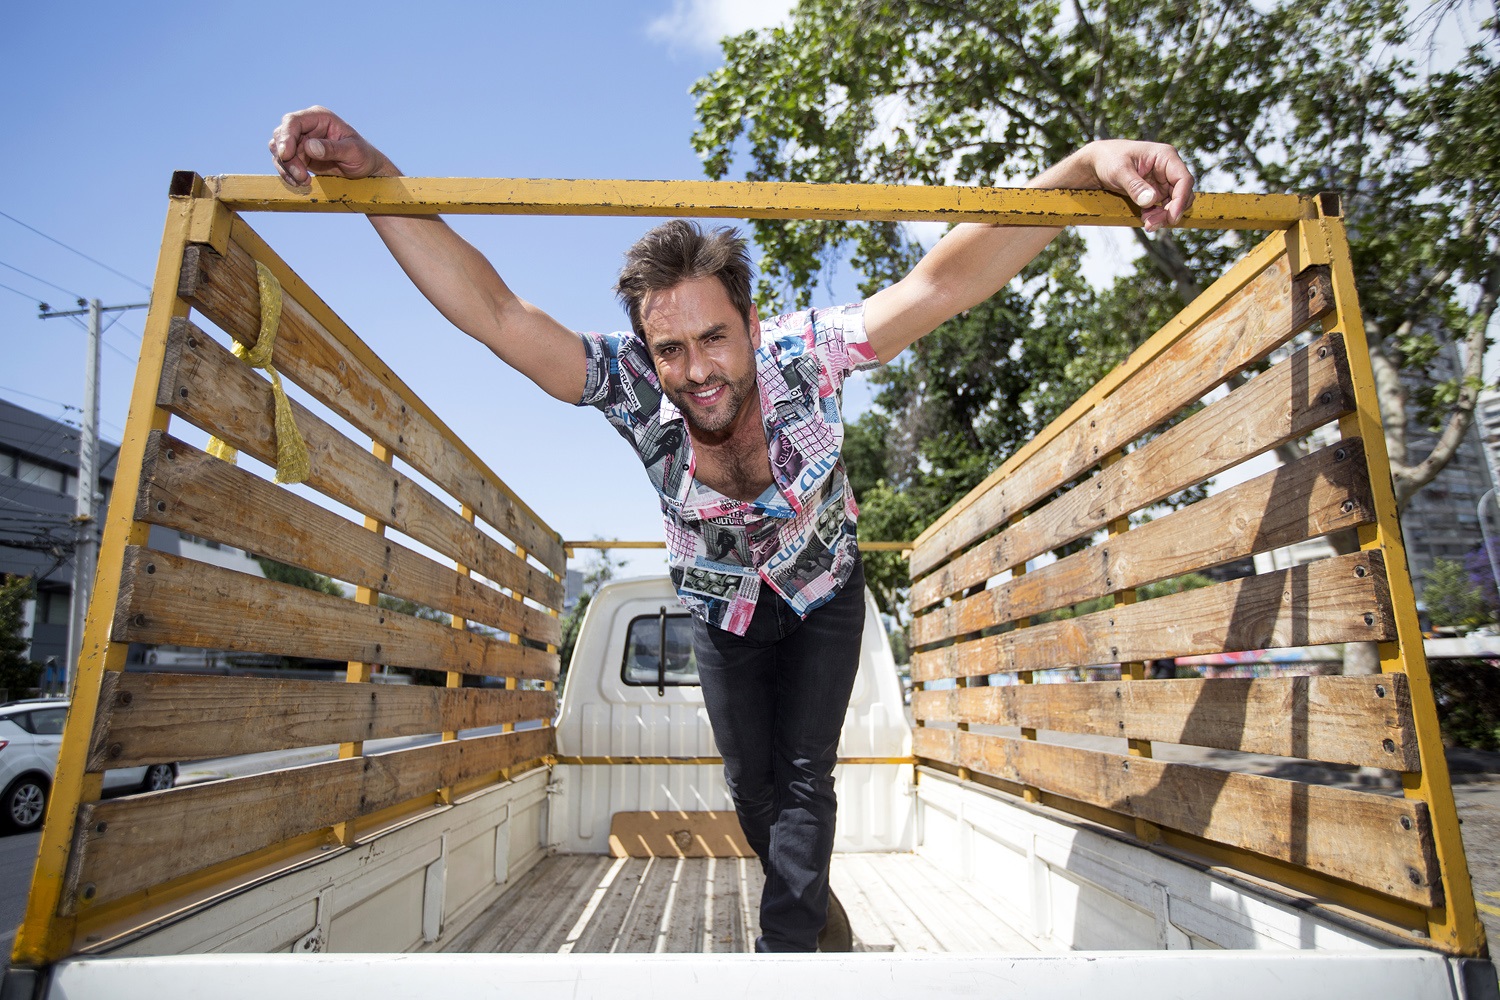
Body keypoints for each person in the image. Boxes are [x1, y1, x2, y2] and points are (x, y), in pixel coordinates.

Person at [268, 107, 1195, 952]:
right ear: (647, 349)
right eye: (671, 349)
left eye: (714, 338)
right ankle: (816, 905)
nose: (696, 370)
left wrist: (1083, 164)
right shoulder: (632, 383)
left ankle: (788, 957)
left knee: (803, 779)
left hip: (826, 589)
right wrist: (376, 176)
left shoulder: (812, 352)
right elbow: (495, 313)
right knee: (754, 793)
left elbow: (944, 282)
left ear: (751, 323)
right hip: (723, 611)